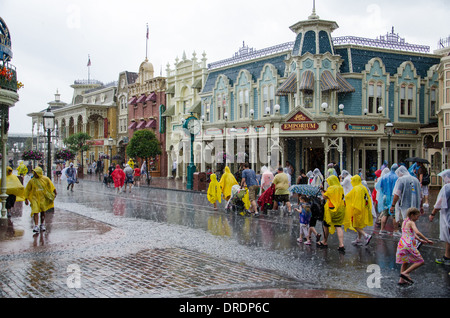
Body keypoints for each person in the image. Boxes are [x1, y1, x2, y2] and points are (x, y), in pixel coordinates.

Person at [396, 207, 433, 285]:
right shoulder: (411, 222)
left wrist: (420, 240)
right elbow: (417, 232)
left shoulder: (404, 221)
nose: (418, 218)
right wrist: (427, 239)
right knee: (420, 261)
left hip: (402, 244)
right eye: (417, 216)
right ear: (412, 215)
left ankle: (401, 280)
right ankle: (405, 273)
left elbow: (412, 233)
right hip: (409, 244)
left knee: (405, 261)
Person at [318, 175, 351, 252]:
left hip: (332, 209)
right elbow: (335, 196)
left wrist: (322, 191)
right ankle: (341, 244)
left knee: (326, 225)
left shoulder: (332, 188)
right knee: (338, 226)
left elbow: (325, 197)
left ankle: (324, 241)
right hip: (341, 208)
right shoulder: (340, 187)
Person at [390, 166, 421, 237]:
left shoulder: (401, 180)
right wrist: (421, 206)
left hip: (405, 206)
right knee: (412, 223)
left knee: (407, 223)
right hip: (415, 205)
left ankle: (408, 239)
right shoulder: (416, 180)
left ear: (400, 172)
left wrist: (393, 205)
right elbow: (420, 194)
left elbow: (397, 193)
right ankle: (414, 238)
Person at [24, 166, 57, 233]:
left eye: (36, 173)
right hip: (34, 198)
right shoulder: (32, 181)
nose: (35, 174)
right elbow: (27, 189)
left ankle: (42, 224)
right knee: (35, 211)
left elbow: (51, 186)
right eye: (34, 173)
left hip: (43, 198)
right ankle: (36, 226)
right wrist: (26, 198)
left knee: (42, 211)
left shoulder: (46, 179)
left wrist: (55, 192)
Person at [429, 169, 450, 266]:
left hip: (448, 216)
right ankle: (447, 256)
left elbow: (439, 202)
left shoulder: (447, 187)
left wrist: (433, 214)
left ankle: (447, 257)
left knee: (448, 237)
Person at [345, 175, 373, 246]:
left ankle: (366, 235)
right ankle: (359, 239)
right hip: (364, 209)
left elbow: (351, 198)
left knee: (355, 224)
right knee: (359, 224)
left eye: (353, 181)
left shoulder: (356, 188)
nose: (352, 182)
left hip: (357, 209)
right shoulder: (362, 187)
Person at [377, 164, 399, 234]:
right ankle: (395, 230)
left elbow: (378, 186)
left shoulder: (384, 176)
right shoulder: (396, 177)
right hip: (393, 197)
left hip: (385, 197)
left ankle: (382, 229)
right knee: (395, 215)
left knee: (385, 214)